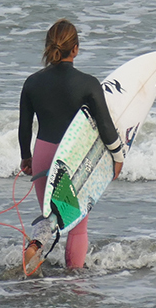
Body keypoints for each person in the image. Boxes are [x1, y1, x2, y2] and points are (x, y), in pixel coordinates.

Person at [17, 18, 125, 272]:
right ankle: (74, 280)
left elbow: (24, 127)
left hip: (44, 153)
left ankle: (34, 251)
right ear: (75, 49)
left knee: (51, 215)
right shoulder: (88, 83)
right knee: (77, 223)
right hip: (73, 156)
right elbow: (106, 126)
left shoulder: (32, 82)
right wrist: (117, 156)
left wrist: (26, 157)